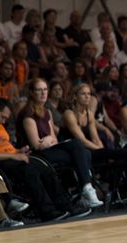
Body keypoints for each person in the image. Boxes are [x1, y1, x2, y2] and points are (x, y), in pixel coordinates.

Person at [0, 98, 90, 221]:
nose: (4, 121)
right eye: (2, 117)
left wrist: (18, 151)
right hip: (1, 163)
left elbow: (5, 146)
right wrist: (12, 156)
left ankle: (65, 206)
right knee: (31, 171)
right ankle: (47, 211)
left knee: (45, 167)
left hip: (15, 157)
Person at [17, 78, 103, 208]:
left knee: (82, 150)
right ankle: (85, 190)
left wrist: (47, 140)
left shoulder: (47, 112)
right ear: (31, 93)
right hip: (36, 155)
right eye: (39, 90)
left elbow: (54, 139)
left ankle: (85, 191)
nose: (43, 93)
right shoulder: (28, 114)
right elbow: (36, 145)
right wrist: (47, 140)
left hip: (50, 149)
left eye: (45, 89)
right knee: (81, 151)